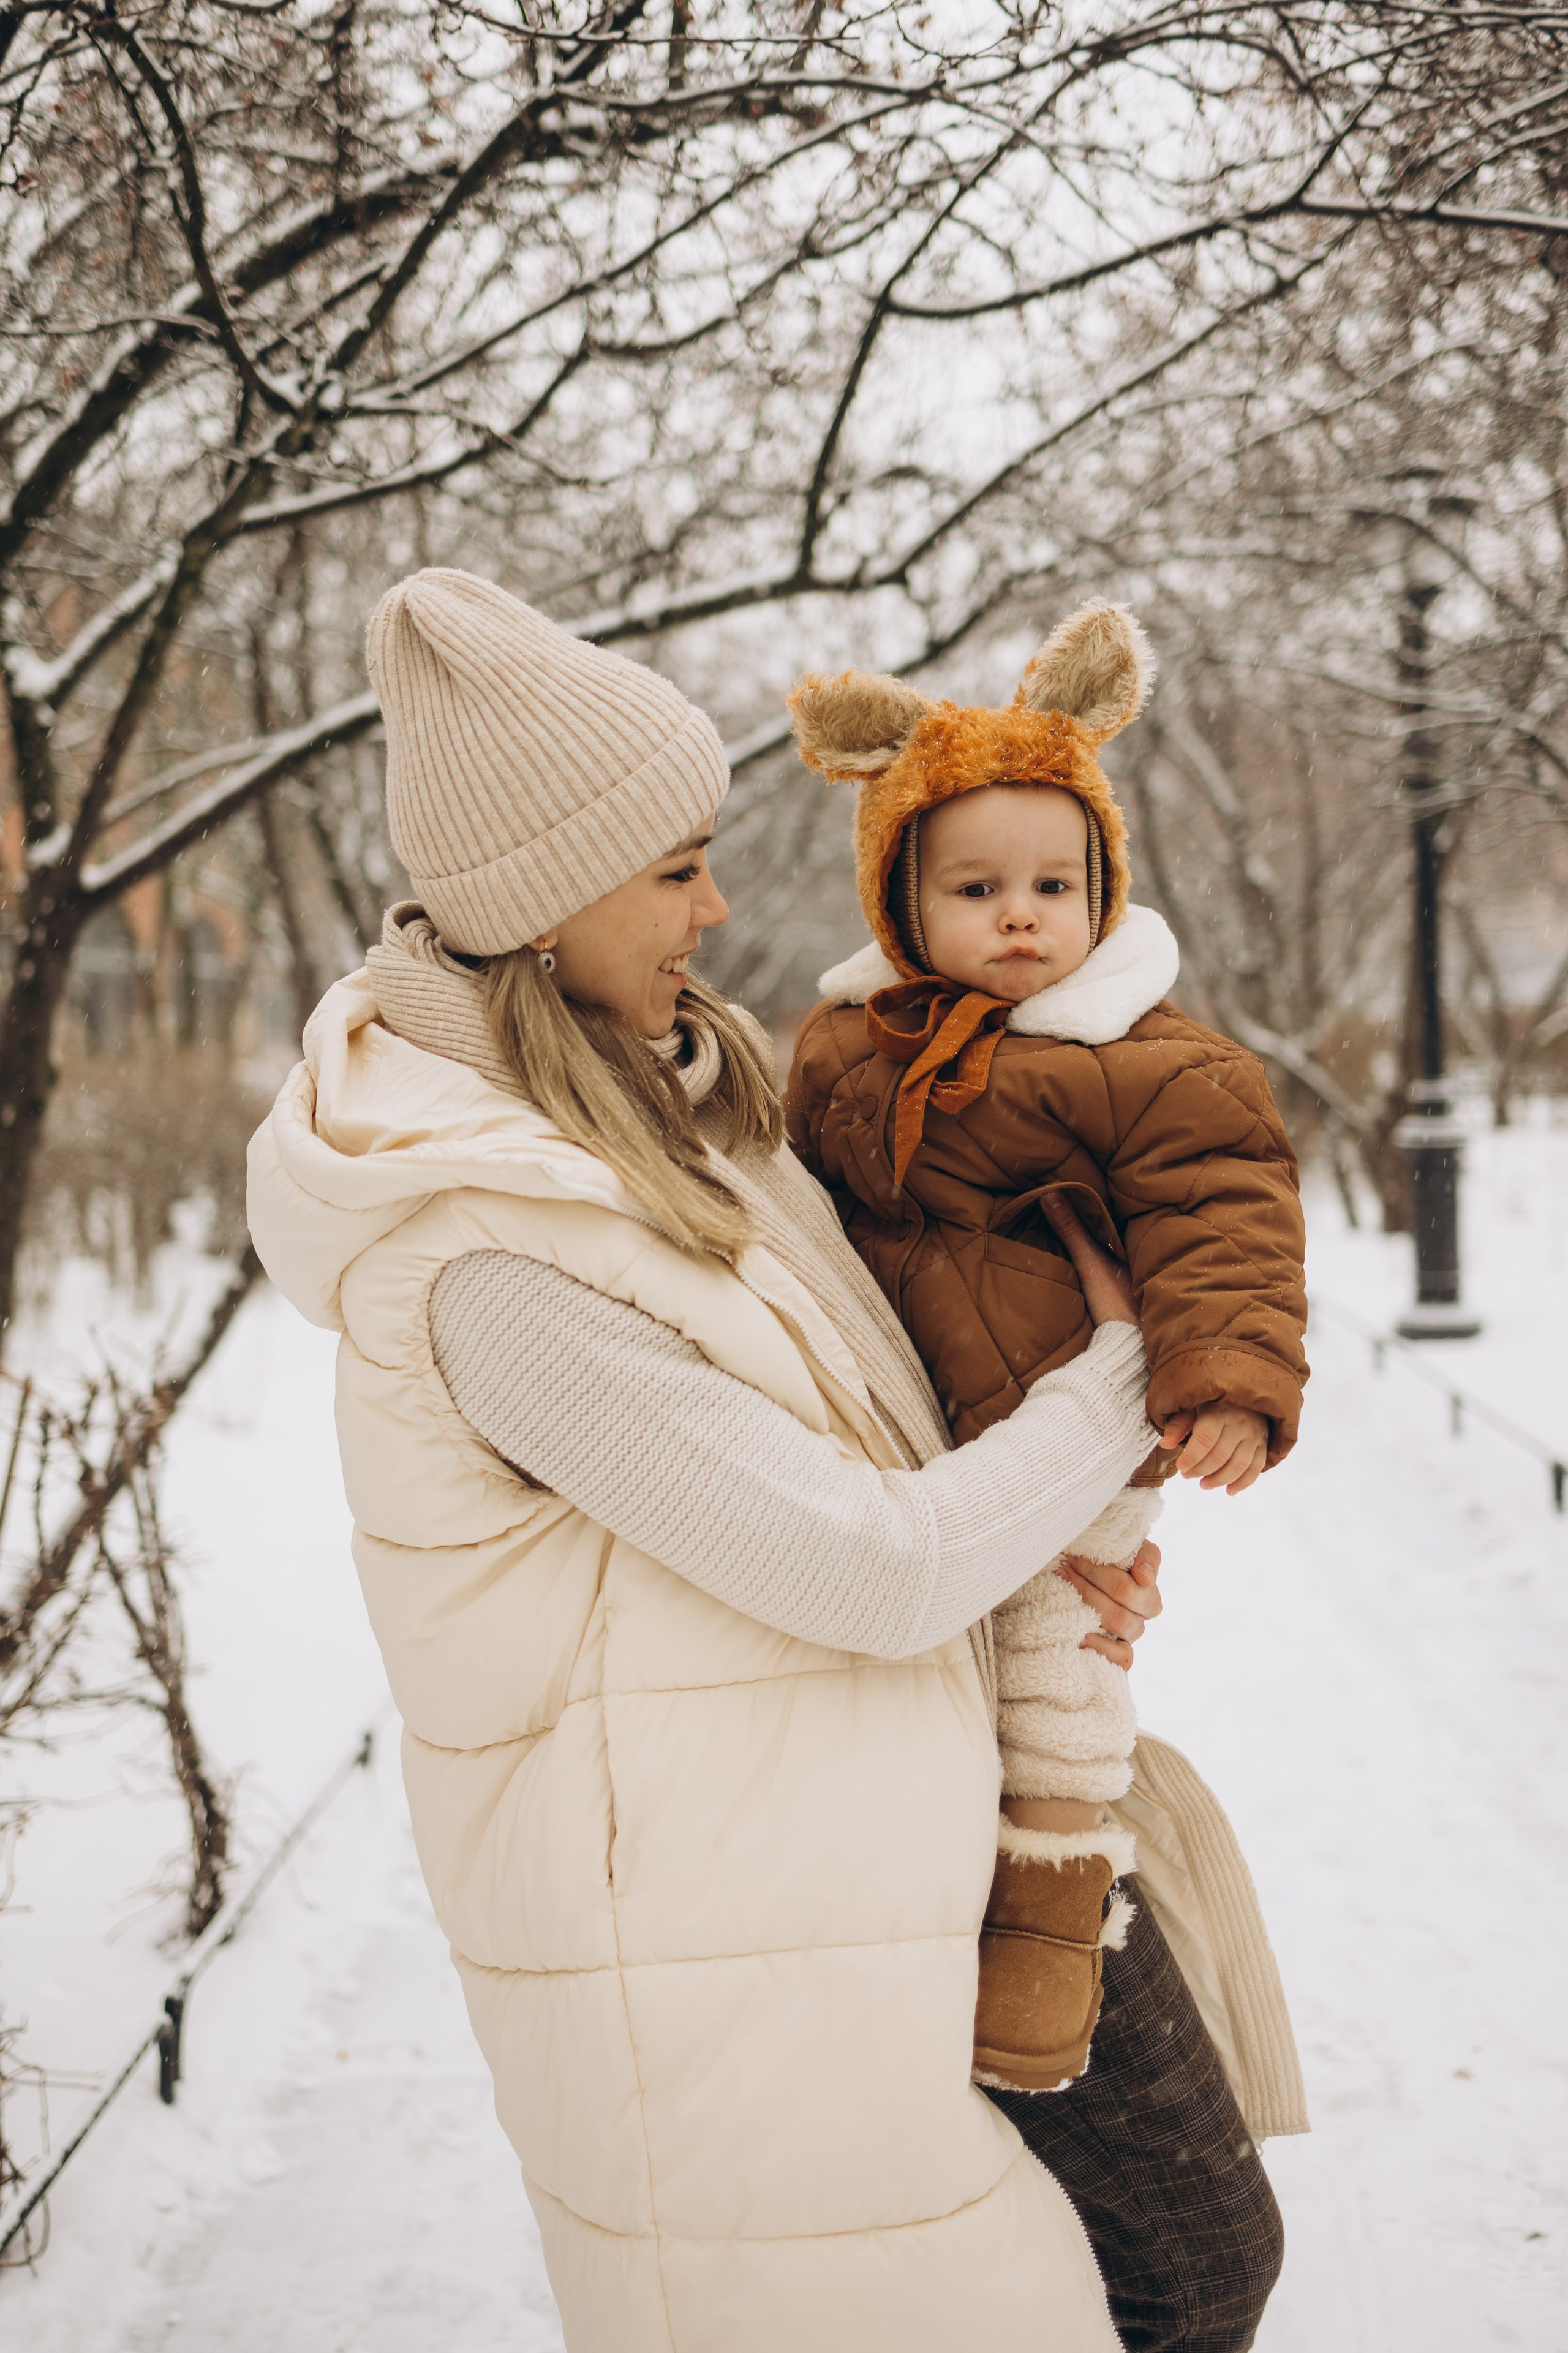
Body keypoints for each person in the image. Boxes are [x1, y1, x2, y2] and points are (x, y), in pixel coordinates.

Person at [247, 568, 1303, 2353]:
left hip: (907, 1843)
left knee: (1203, 2256)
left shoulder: (683, 1106)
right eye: (676, 868)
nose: (720, 909)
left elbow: (887, 1419)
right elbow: (865, 1563)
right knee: (1168, 2279)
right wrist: (1124, 1380)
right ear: (548, 893)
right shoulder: (485, 1248)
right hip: (735, 1956)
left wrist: (1047, 1548)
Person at [784, 601, 1309, 2131]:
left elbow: (1224, 1216)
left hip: (1071, 1444)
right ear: (901, 906)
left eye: (1050, 885)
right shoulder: (842, 1053)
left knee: (1058, 1677)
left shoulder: (1143, 1058)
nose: (1020, 916)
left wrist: (1220, 1380)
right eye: (975, 888)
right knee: (961, 1695)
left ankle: (1039, 1960)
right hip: (923, 1445)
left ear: (1100, 893)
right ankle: (953, 1941)